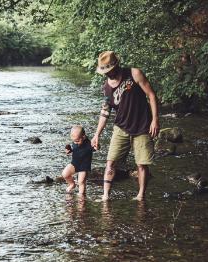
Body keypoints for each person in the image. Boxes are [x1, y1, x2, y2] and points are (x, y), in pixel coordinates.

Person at [91, 51, 160, 201]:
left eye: (110, 71)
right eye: (105, 72)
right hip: (121, 128)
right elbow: (105, 112)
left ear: (117, 66)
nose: (108, 74)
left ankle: (141, 195)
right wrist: (97, 134)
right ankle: (105, 196)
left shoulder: (134, 74)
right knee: (110, 162)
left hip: (142, 127)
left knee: (141, 164)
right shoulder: (106, 88)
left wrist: (155, 120)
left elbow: (152, 95)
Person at [62, 125, 94, 196]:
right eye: (74, 141)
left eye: (77, 141)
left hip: (84, 166)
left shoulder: (88, 143)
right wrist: (69, 151)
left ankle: (81, 196)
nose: (75, 142)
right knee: (65, 174)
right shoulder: (75, 141)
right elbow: (74, 149)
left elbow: (96, 147)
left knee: (81, 182)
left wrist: (97, 145)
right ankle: (72, 184)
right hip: (74, 163)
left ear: (83, 136)